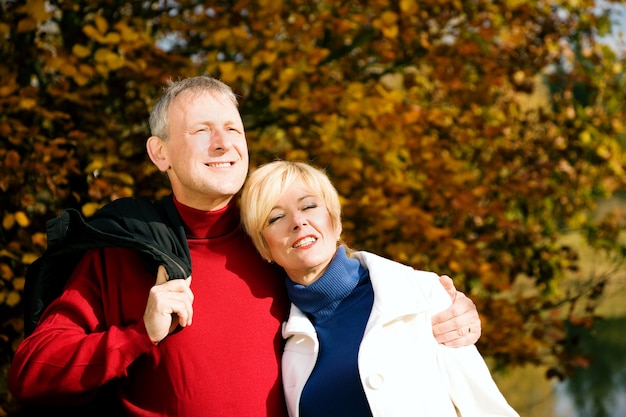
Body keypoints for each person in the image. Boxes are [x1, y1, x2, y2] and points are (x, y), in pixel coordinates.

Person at [9, 76, 481, 417]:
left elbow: (366, 304)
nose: (223, 144)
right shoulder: (122, 251)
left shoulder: (275, 235)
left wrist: (445, 310)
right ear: (160, 154)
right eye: (201, 131)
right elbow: (30, 374)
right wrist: (137, 335)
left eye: (233, 129)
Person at [240, 160, 519, 417]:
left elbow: (484, 406)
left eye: (309, 206)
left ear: (335, 222)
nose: (298, 222)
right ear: (265, 246)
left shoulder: (421, 294)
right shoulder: (283, 342)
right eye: (276, 218)